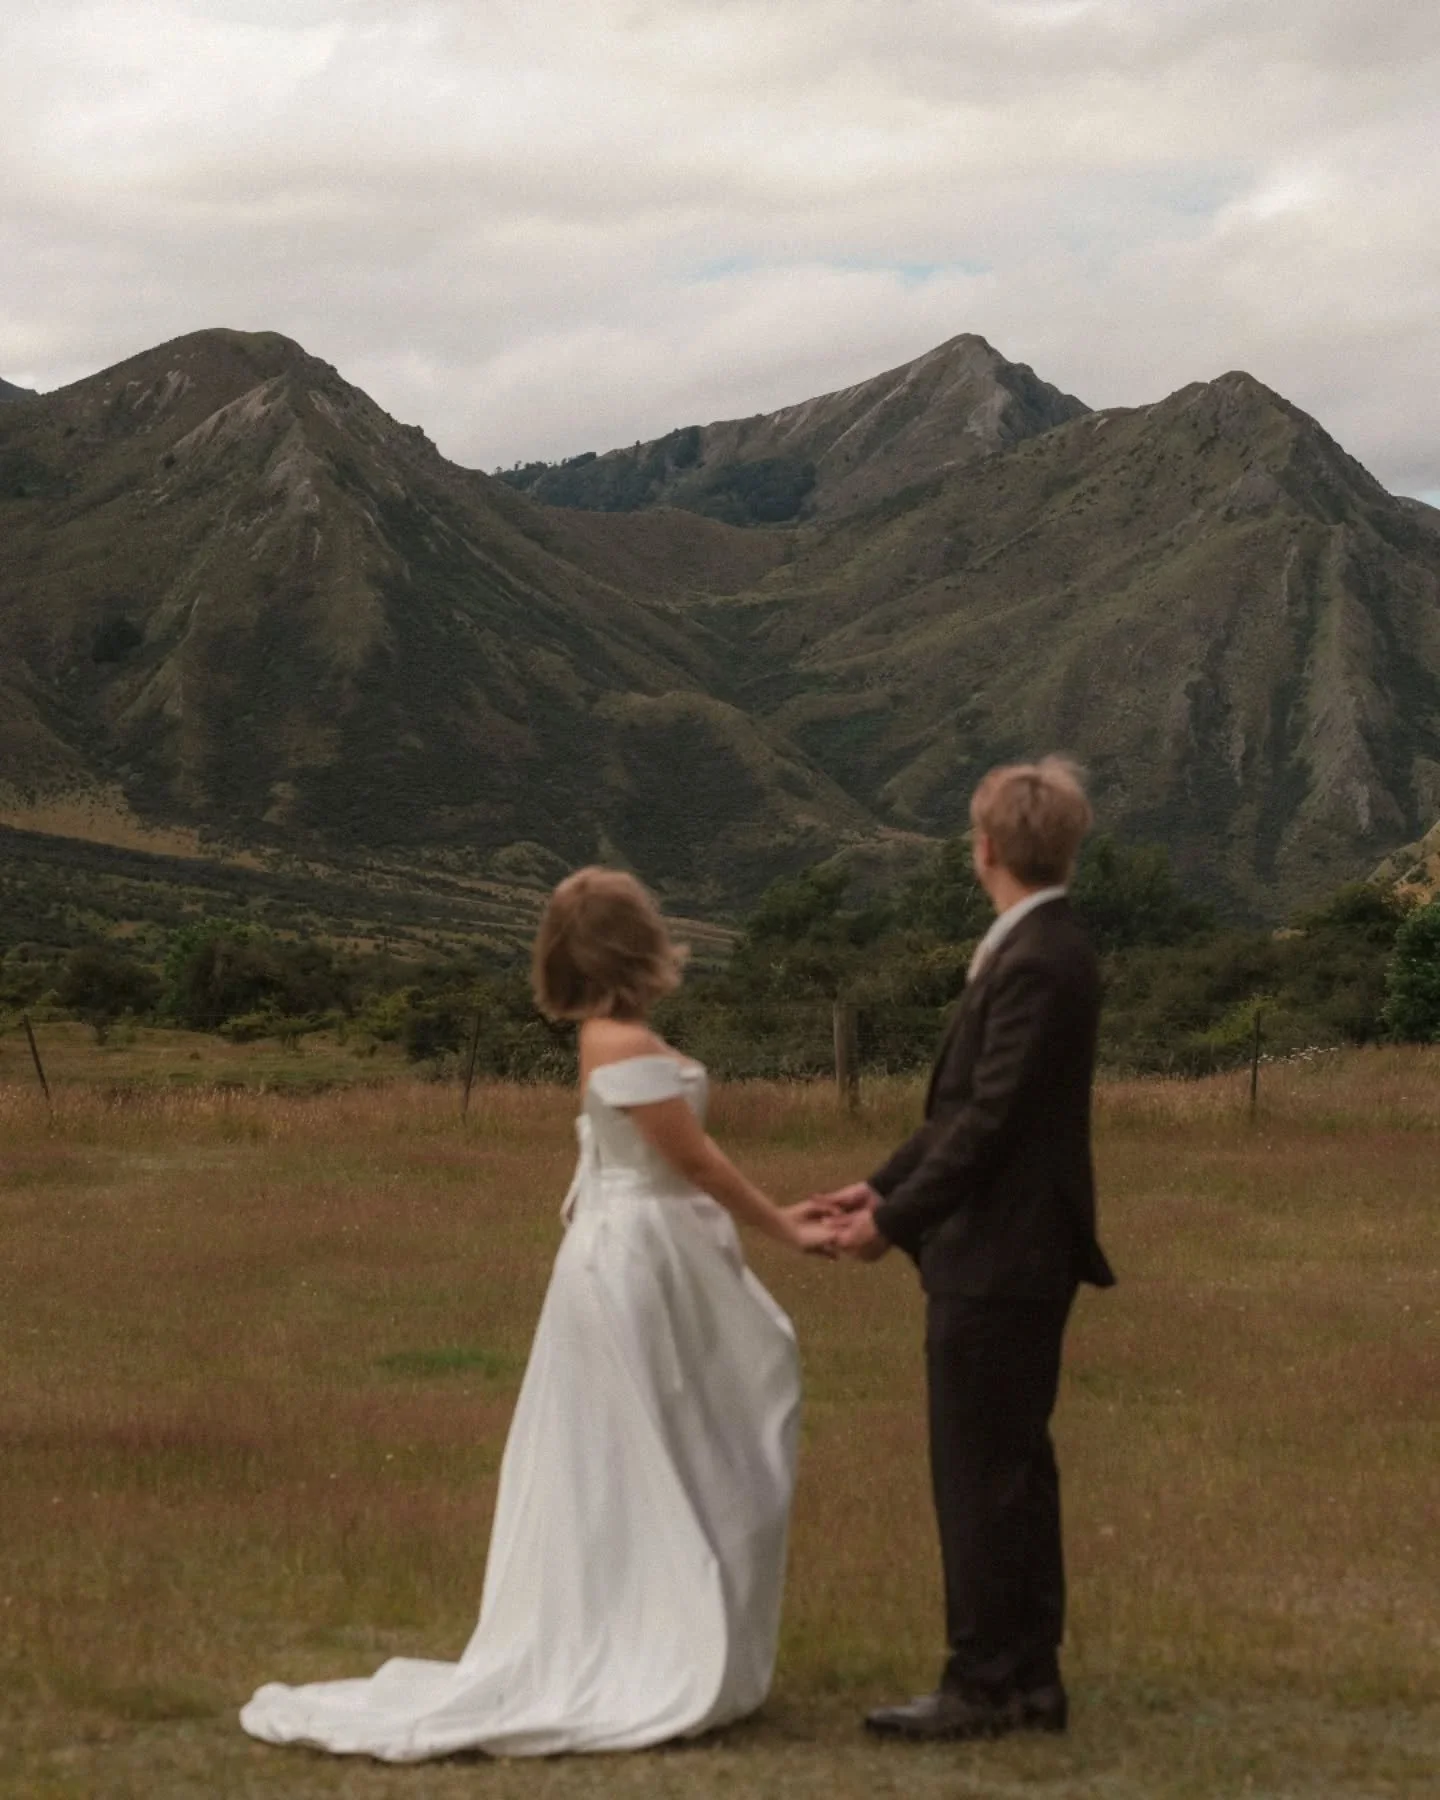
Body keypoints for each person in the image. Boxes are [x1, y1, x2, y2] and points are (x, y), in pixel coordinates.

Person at [240, 867, 835, 1761]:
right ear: (636, 942)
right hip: (639, 1255)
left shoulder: (615, 1036)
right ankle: (649, 1637)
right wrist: (785, 1225)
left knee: (682, 1431)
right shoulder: (623, 1046)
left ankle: (666, 1618)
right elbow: (697, 1161)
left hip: (650, 1250)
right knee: (655, 1442)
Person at [818, 757, 1115, 1742]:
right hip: (1013, 1251)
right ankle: (1024, 1677)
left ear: (983, 848)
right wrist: (883, 1183)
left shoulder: (1035, 958)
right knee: (1011, 1470)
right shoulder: (1048, 946)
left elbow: (989, 1122)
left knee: (982, 1474)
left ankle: (988, 1683)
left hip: (1003, 1255)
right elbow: (965, 1113)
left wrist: (888, 1225)